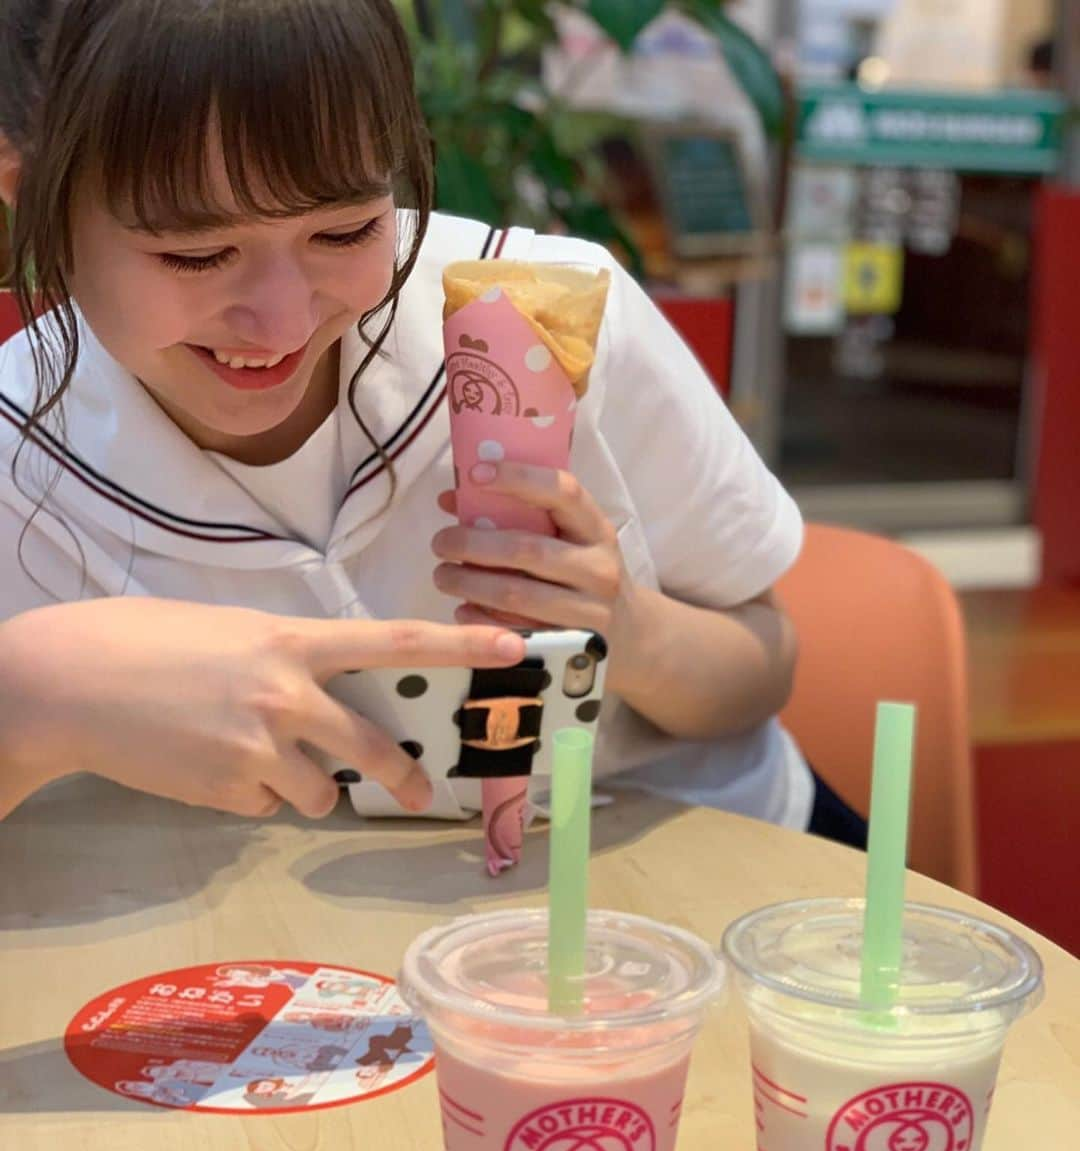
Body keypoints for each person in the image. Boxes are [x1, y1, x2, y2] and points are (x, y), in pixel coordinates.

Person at [0, 0, 859, 844]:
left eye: (343, 233)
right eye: (196, 254)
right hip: (297, 954)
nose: (283, 322)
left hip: (693, 871)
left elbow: (763, 661)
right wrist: (37, 696)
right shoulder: (20, 458)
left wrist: (631, 631)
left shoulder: (549, 315)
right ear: (31, 195)